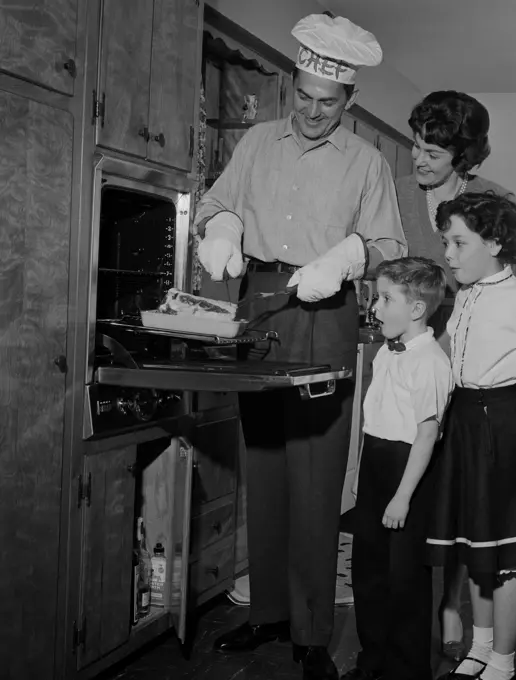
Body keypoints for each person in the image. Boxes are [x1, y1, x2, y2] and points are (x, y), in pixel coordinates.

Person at [193, 13, 407, 680]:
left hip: (325, 309)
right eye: (304, 98)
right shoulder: (256, 141)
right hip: (257, 304)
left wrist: (346, 255)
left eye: (328, 104)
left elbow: (390, 246)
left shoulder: (367, 162)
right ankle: (267, 615)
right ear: (292, 84)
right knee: (265, 464)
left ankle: (312, 630)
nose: (313, 114)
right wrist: (223, 228)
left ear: (349, 102)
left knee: (316, 475)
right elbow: (217, 202)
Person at [395, 90, 516, 657]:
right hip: (432, 360)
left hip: (486, 379)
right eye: (416, 145)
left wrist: (511, 296)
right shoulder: (400, 189)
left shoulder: (492, 203)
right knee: (446, 500)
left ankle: (475, 631)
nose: (419, 160)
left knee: (488, 517)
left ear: (463, 157)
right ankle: (451, 612)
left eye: (434, 151)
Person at [426, 192, 516, 680]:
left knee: (506, 556)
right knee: (475, 546)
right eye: (445, 241)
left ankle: (504, 663)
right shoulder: (466, 294)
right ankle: (480, 648)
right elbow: (448, 354)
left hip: (508, 428)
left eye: (459, 243)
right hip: (467, 425)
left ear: (493, 243)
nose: (448, 253)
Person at [342, 257, 453, 680]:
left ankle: (407, 671)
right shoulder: (386, 353)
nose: (376, 307)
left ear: (417, 309)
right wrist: (362, 478)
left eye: (386, 298)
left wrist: (403, 496)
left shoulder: (431, 362)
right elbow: (375, 419)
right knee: (368, 572)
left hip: (409, 474)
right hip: (376, 465)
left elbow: (427, 436)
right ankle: (373, 662)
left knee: (404, 579)